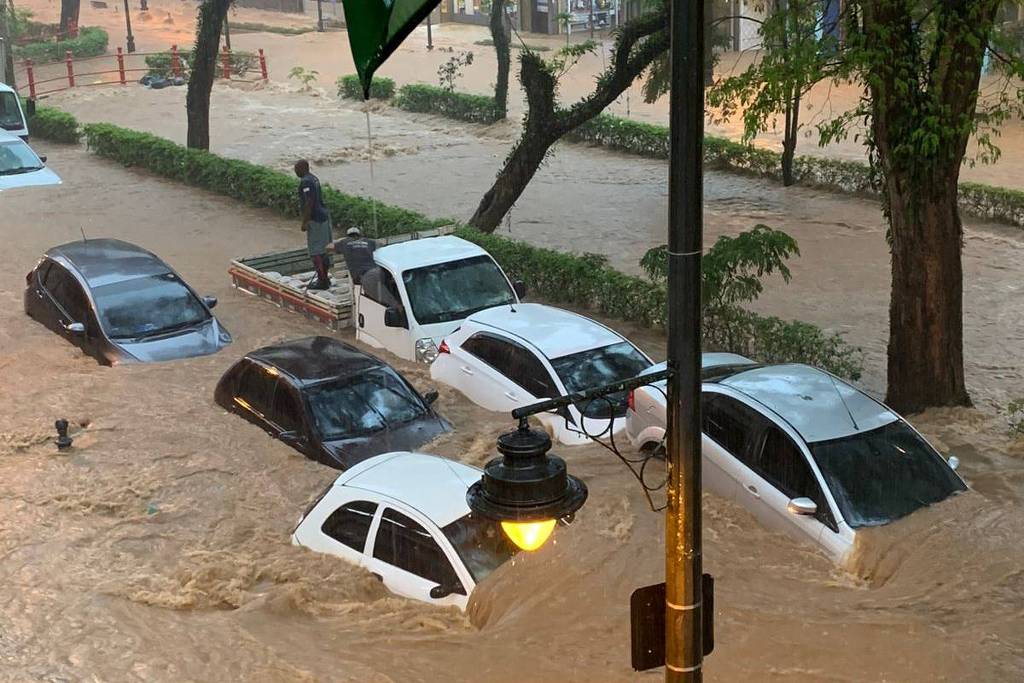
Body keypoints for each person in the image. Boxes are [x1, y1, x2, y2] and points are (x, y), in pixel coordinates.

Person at [294, 159, 333, 290]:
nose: (295, 171)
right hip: (324, 216)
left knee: (316, 252)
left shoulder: (306, 182)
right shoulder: (314, 178)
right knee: (324, 249)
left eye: (296, 169)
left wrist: (305, 221)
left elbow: (309, 202)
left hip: (316, 219)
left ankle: (322, 281)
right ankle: (325, 278)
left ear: (302, 168)